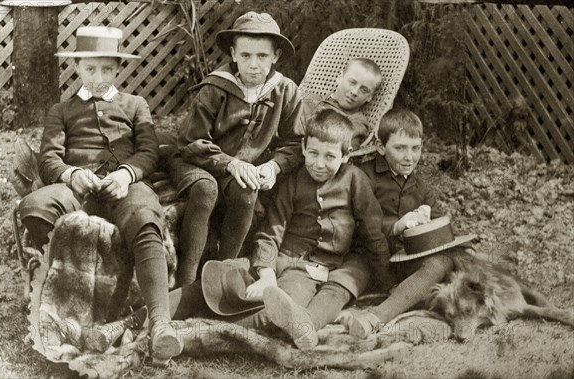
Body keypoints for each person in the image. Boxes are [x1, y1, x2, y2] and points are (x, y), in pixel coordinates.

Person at [147, 109, 392, 353]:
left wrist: (384, 280)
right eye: (313, 153)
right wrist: (267, 274)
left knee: (279, 311)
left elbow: (372, 230)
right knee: (215, 283)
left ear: (345, 156)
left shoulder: (354, 180)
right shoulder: (293, 182)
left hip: (321, 269)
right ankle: (144, 318)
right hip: (288, 261)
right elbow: (271, 231)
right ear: (304, 147)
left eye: (330, 156)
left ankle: (193, 331)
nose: (319, 164)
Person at [17, 26, 179, 366]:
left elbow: (149, 151)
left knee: (146, 216)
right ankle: (60, 302)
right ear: (76, 67)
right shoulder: (60, 110)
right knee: (34, 206)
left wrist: (126, 174)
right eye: (90, 69)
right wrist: (71, 174)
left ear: (118, 68)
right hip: (79, 191)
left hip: (124, 187)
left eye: (107, 69)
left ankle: (160, 321)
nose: (99, 77)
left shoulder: (135, 105)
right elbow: (48, 159)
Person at [163, 11, 304, 287]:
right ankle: (187, 282)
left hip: (242, 171)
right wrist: (231, 163)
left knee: (247, 192)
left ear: (275, 56)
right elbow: (191, 142)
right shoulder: (216, 88)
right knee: (206, 189)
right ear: (233, 53)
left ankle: (222, 274)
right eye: (246, 55)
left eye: (262, 56)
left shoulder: (285, 91)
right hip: (199, 162)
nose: (253, 64)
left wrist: (273, 166)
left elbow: (296, 142)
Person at [341, 108, 474, 338]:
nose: (409, 157)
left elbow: (440, 223)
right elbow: (350, 223)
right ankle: (376, 317)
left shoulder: (420, 186)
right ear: (381, 147)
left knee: (446, 260)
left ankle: (458, 311)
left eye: (416, 148)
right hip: (368, 260)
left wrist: (447, 235)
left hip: (404, 264)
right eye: (400, 148)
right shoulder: (363, 175)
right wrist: (396, 225)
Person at [301, 58, 383, 151]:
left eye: (364, 90)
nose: (354, 92)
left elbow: (338, 150)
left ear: (370, 97)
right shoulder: (310, 98)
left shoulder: (356, 122)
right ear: (340, 77)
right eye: (352, 82)